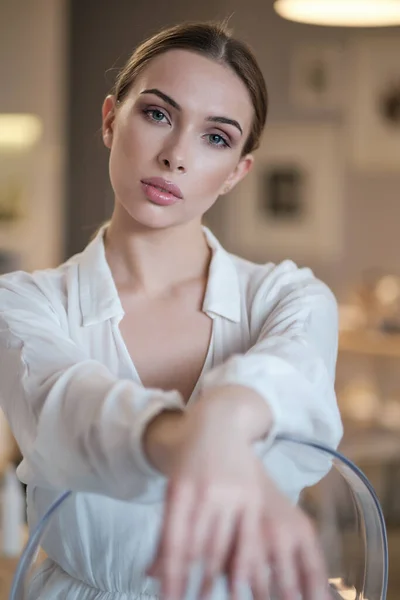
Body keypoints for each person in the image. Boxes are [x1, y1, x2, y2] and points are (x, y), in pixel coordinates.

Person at [0, 20, 343, 600]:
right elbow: (70, 407)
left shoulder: (289, 298)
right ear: (111, 119)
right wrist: (198, 443)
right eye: (158, 114)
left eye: (216, 137)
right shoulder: (25, 303)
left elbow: (288, 378)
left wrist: (224, 421)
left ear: (237, 171)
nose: (176, 155)